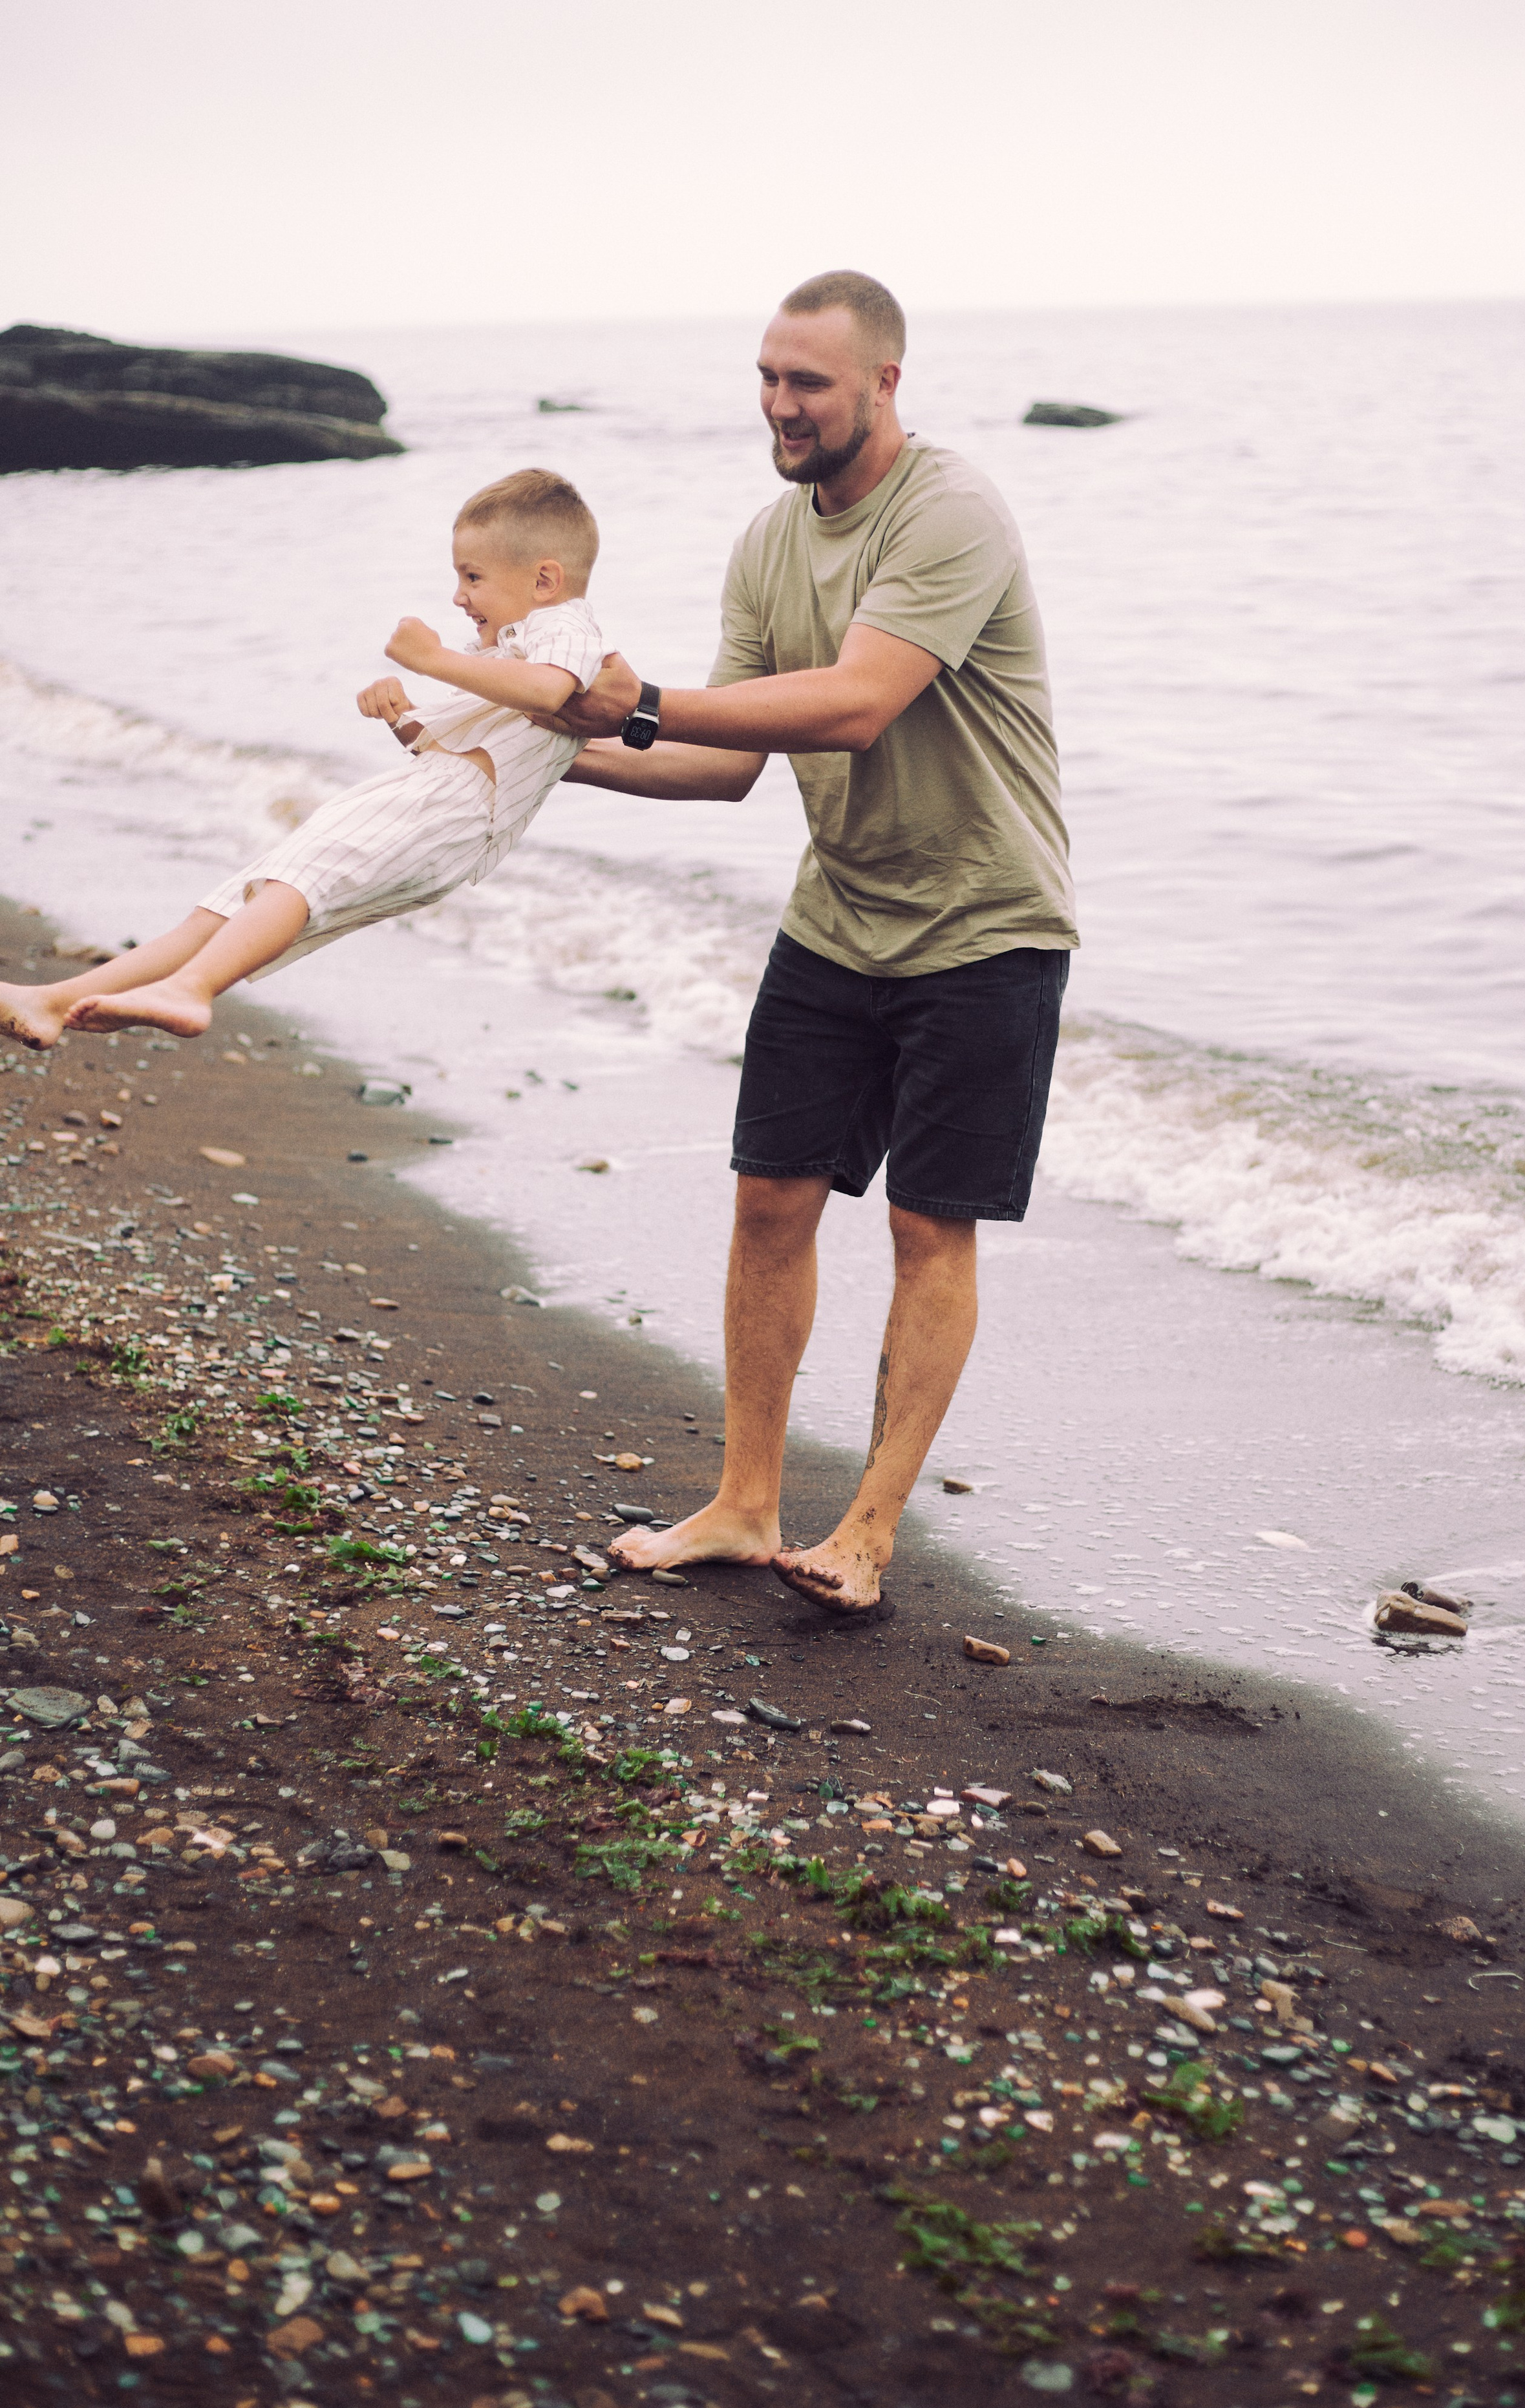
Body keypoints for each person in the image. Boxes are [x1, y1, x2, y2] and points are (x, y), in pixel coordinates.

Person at [557, 269, 1078, 1620]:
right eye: (768, 379)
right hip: (837, 917)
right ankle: (742, 1505)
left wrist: (649, 701)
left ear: (883, 386)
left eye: (809, 384)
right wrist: (550, 760)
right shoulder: (765, 541)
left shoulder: (948, 511)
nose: (780, 406)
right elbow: (722, 762)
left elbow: (851, 705)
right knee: (768, 1201)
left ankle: (865, 1530)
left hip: (984, 926)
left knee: (925, 1224)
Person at [0, 469, 606, 1048]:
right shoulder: (505, 648)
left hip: (452, 809)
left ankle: (190, 989)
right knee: (233, 906)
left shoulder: (566, 626)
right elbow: (475, 744)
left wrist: (432, 660)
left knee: (294, 884)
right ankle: (56, 1001)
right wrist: (405, 718)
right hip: (434, 797)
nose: (457, 596)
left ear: (545, 580)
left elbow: (553, 690)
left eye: (472, 577)